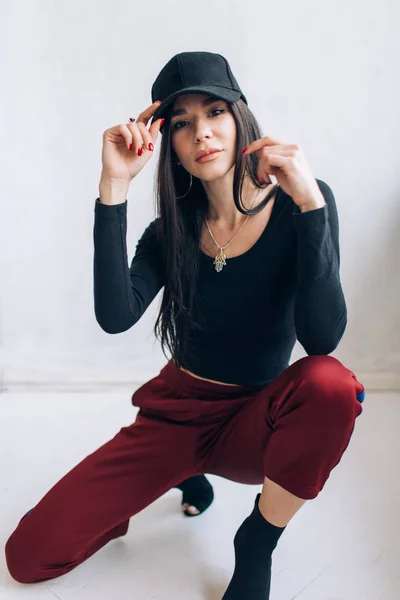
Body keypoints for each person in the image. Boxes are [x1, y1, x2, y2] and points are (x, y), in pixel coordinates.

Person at [5, 51, 366, 599]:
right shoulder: (166, 233)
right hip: (177, 416)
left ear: (240, 118)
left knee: (331, 384)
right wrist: (113, 184)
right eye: (182, 124)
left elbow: (321, 340)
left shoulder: (301, 205)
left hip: (259, 423)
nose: (202, 133)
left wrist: (312, 201)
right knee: (28, 557)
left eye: (215, 112)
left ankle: (258, 542)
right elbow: (114, 316)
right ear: (166, 142)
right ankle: (177, 471)